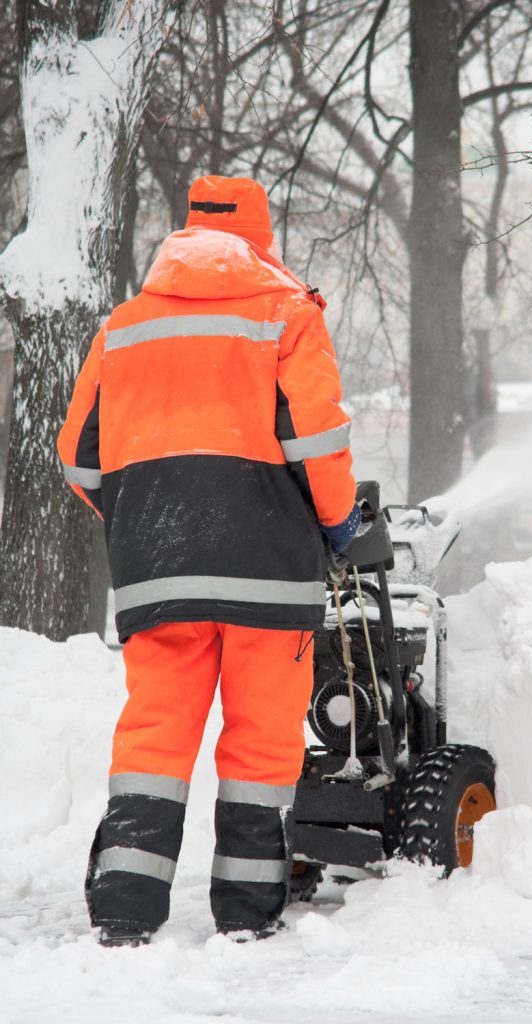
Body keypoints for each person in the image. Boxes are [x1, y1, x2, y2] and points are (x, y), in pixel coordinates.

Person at [57, 176, 360, 946]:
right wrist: (339, 522)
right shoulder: (287, 316)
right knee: (260, 743)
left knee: (154, 741)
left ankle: (125, 911)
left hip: (158, 568)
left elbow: (79, 457)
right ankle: (245, 917)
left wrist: (139, 517)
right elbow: (317, 441)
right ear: (260, 240)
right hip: (269, 572)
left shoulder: (123, 327)